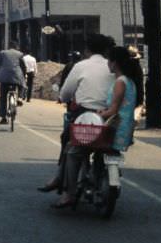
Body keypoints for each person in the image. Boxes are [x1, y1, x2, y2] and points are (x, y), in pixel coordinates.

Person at [53, 45, 139, 208]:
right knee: (99, 153)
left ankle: (69, 193)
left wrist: (97, 116)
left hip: (113, 129)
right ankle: (95, 179)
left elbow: (113, 109)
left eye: (109, 62)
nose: (107, 65)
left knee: (73, 150)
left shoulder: (120, 82)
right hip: (124, 130)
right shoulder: (130, 81)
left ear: (114, 63)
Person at [38, 34, 114, 194]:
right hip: (112, 117)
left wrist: (64, 99)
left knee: (68, 141)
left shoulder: (80, 66)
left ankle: (65, 185)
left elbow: (66, 93)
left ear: (87, 50)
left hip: (85, 116)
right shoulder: (115, 67)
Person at [0, 41, 26, 125]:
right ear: (16, 47)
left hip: (4, 77)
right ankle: (20, 98)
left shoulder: (2, 53)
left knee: (3, 97)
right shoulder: (20, 54)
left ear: (9, 47)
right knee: (22, 84)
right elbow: (23, 67)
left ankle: (3, 118)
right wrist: (24, 75)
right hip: (16, 75)